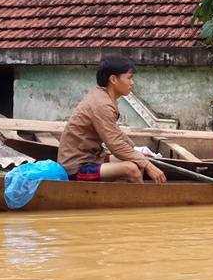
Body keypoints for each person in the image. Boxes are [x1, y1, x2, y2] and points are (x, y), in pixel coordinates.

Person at [57, 56, 167, 184]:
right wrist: (148, 165)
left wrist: (136, 151)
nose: (132, 83)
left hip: (93, 158)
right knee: (131, 168)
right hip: (76, 168)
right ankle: (141, 201)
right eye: (129, 78)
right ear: (113, 79)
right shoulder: (102, 104)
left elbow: (116, 133)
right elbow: (115, 145)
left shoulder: (104, 97)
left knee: (137, 161)